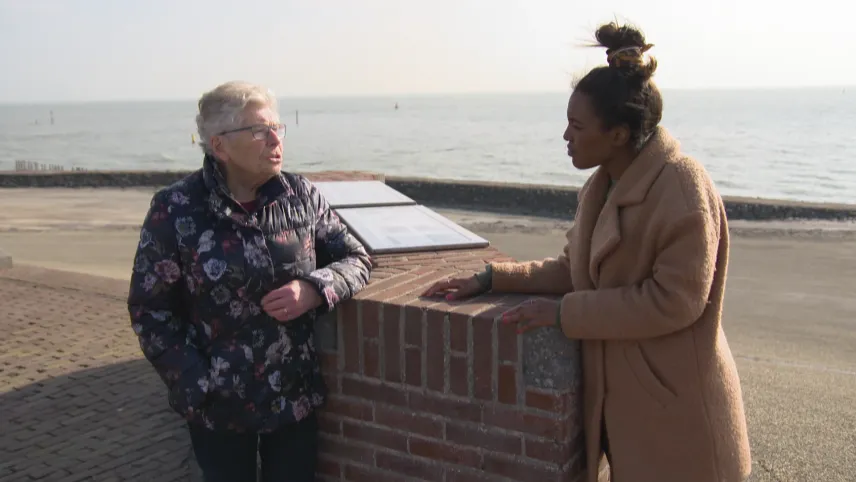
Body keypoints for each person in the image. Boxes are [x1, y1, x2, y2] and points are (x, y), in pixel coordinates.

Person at [423, 22, 751, 482]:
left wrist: (565, 315)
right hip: (631, 413)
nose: (565, 136)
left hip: (680, 416)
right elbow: (574, 269)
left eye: (578, 126)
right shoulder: (601, 186)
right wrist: (491, 278)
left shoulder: (681, 183)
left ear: (617, 134)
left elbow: (675, 301)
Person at [127, 81, 372, 482]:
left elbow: (357, 258)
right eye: (259, 130)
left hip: (293, 397)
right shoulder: (175, 208)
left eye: (277, 127)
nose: (275, 139)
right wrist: (196, 380)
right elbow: (150, 309)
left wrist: (313, 289)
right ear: (219, 145)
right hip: (217, 406)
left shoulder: (301, 196)